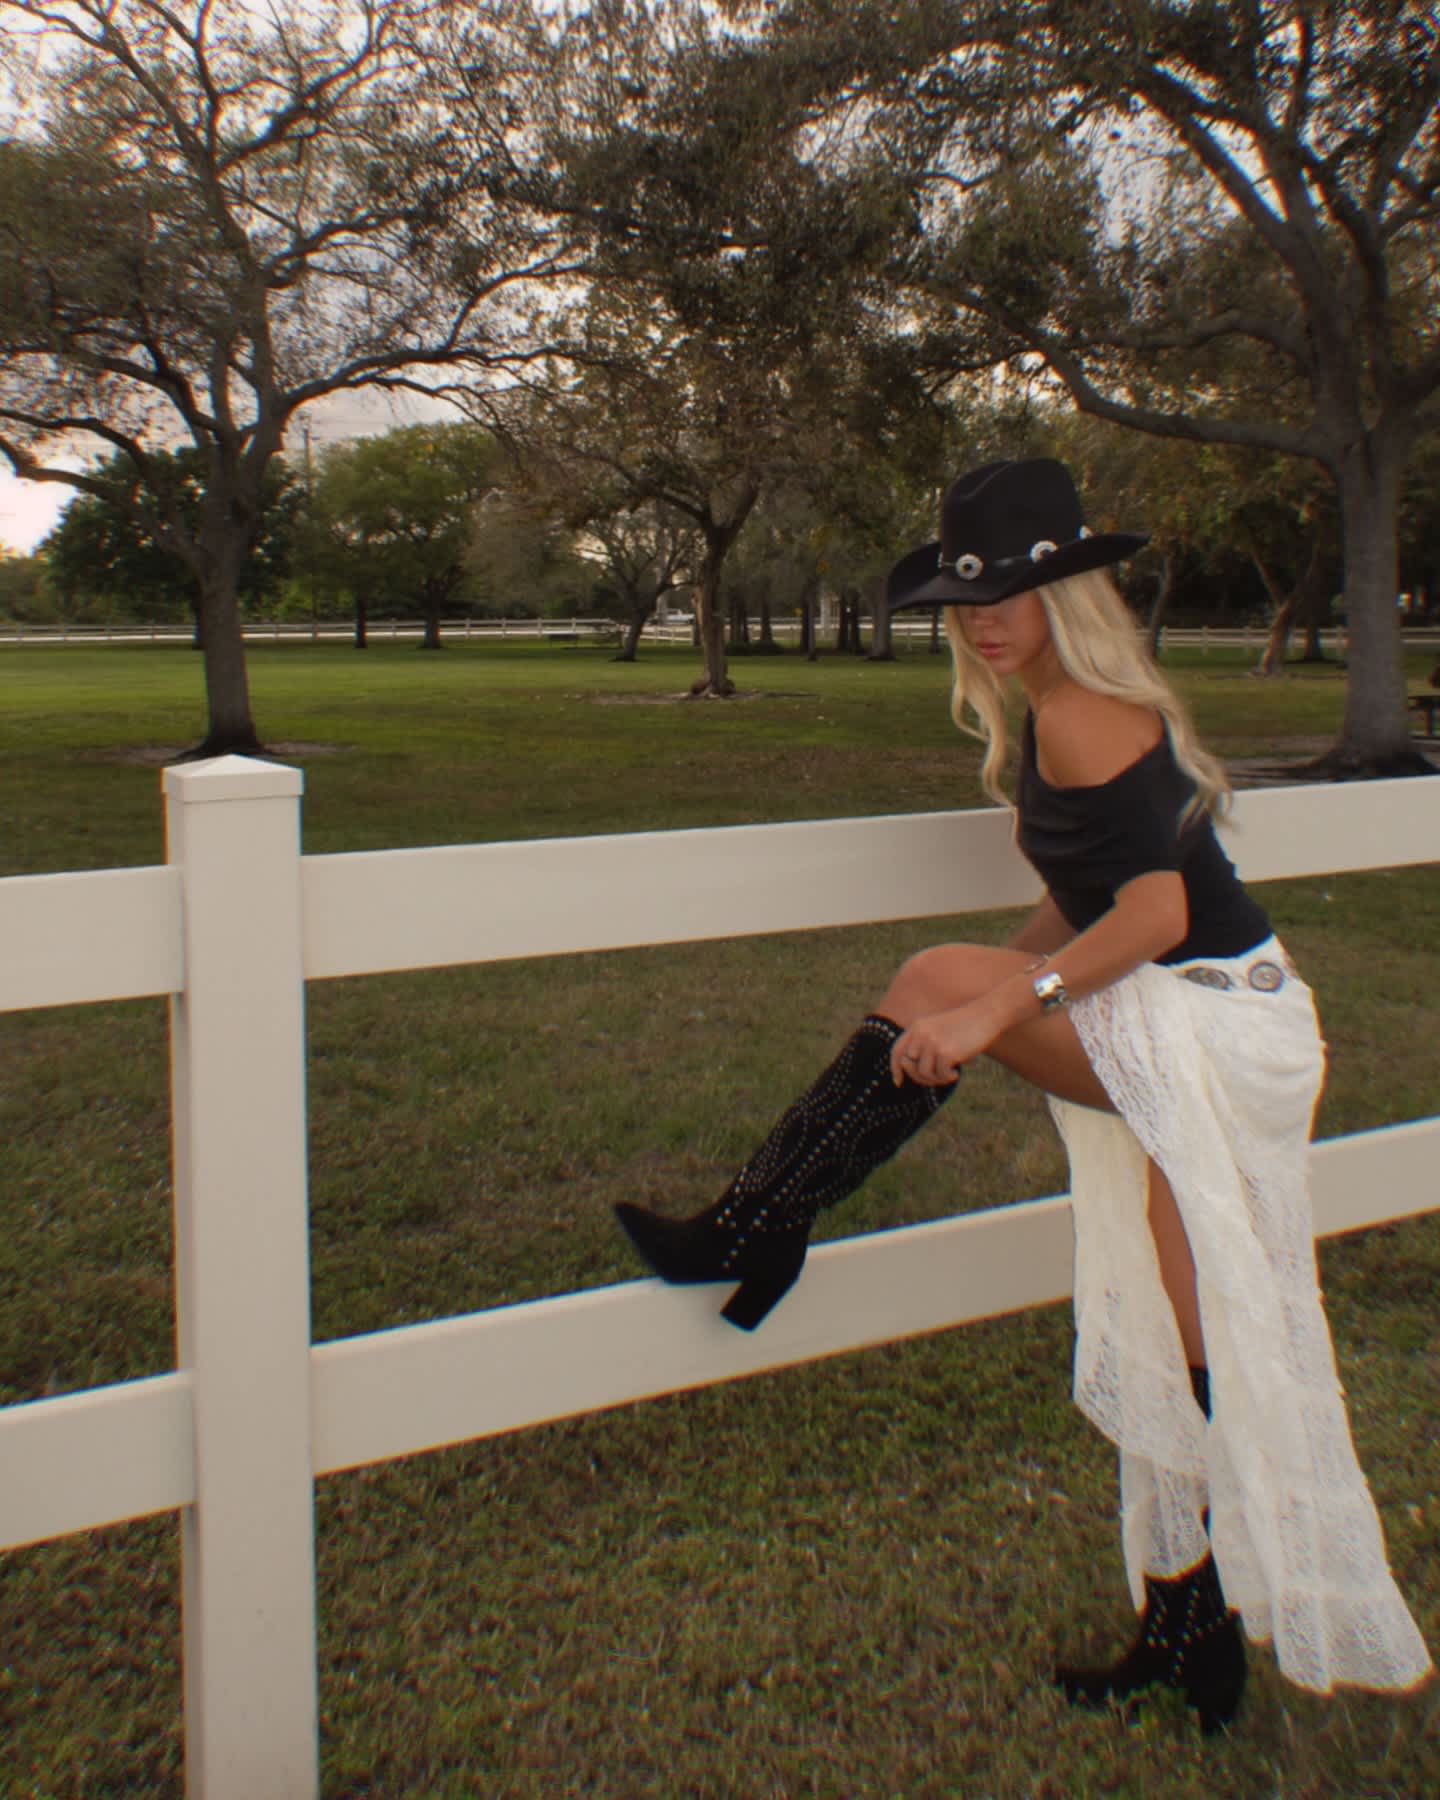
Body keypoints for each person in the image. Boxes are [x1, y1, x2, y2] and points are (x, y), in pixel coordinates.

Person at [613, 457, 1433, 1732]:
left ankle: (755, 1225)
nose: (980, 621)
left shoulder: (1083, 715)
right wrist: (1008, 969)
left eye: (1007, 595)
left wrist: (1003, 1000)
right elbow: (1097, 891)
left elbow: (1157, 915)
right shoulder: (1055, 703)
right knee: (1182, 1335)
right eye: (962, 602)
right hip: (1198, 1000)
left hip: (1223, 1015)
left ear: (1069, 593)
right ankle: (1191, 1637)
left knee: (1195, 1322)